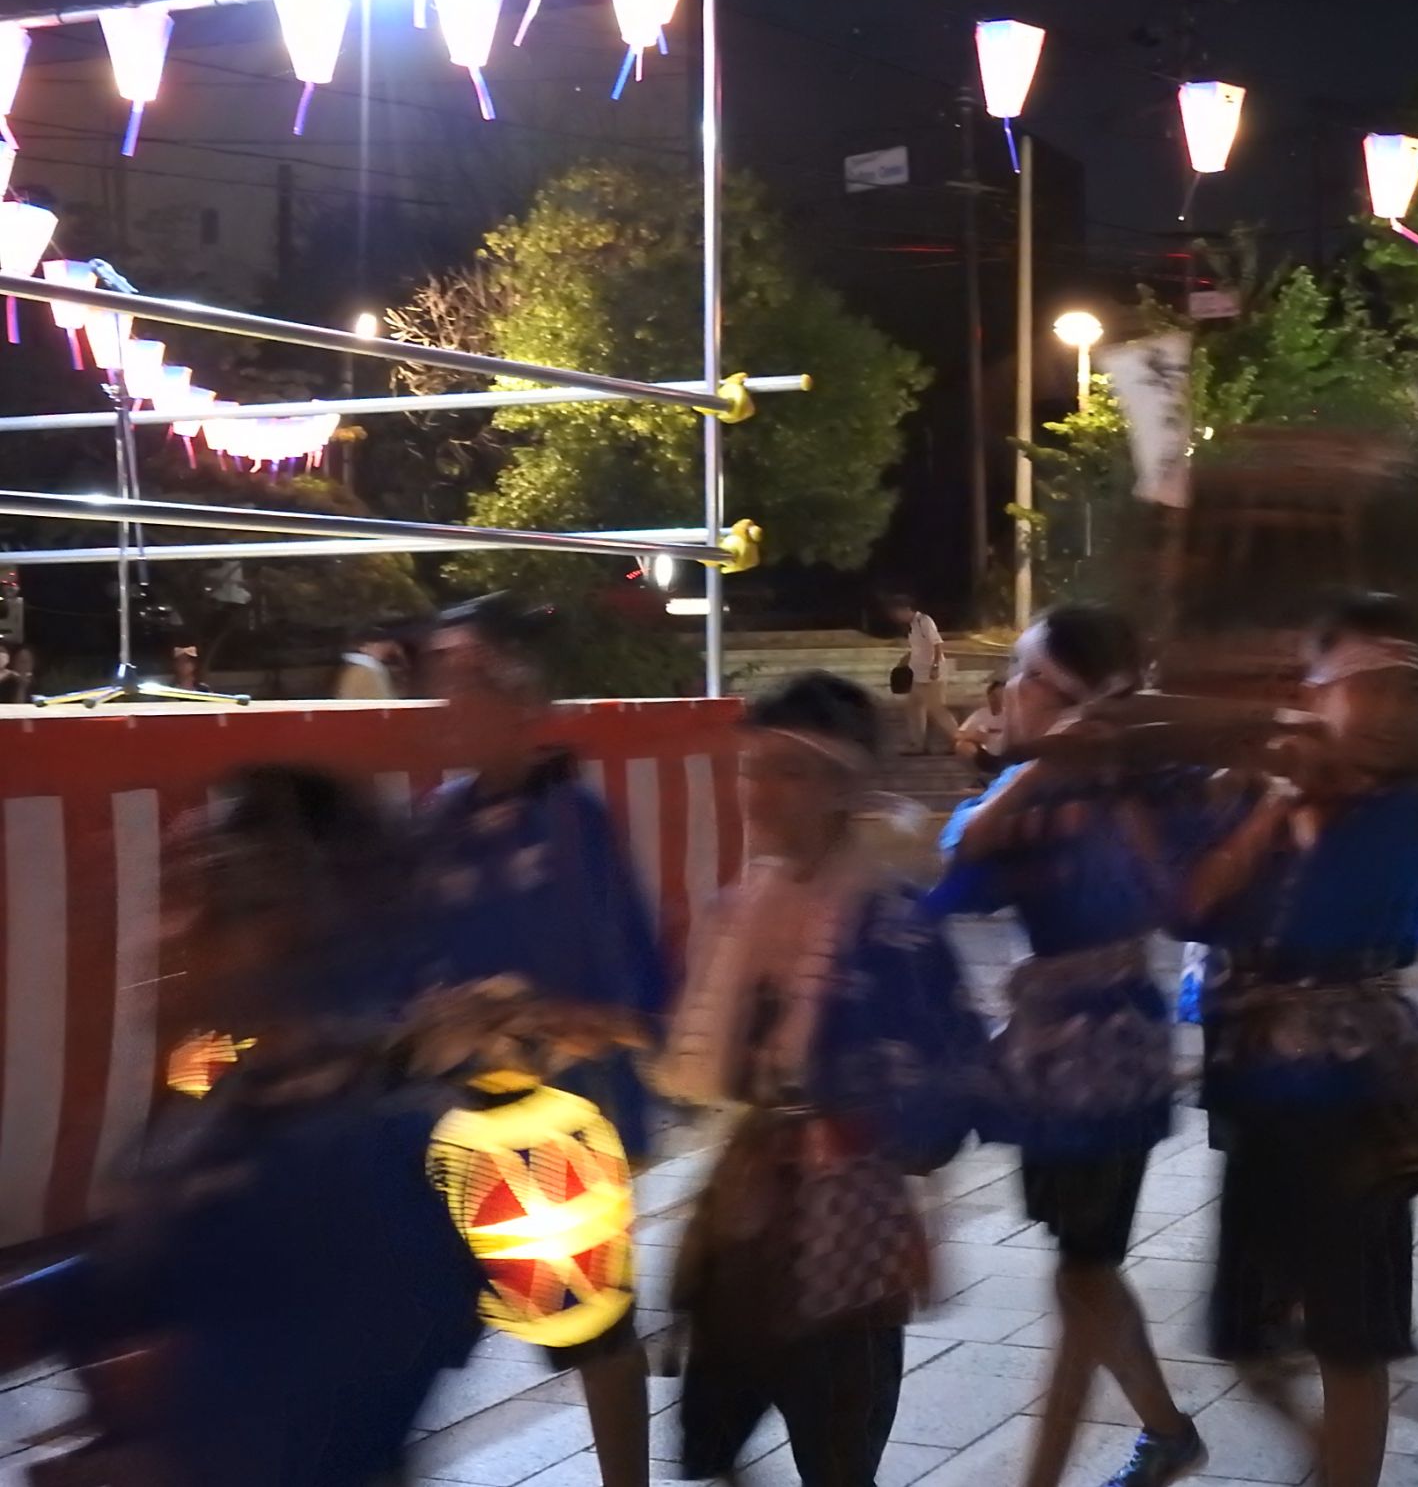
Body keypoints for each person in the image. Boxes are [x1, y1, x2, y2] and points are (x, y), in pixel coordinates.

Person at [0, 766, 486, 1487]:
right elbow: (141, 1274)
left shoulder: (377, 1149)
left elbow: (314, 1427)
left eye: (198, 897)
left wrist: (134, 1460)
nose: (160, 935)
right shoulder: (236, 1108)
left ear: (280, 927)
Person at [657, 672, 989, 1487]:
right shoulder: (741, 908)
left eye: (790, 772)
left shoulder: (894, 924)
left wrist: (876, 1125)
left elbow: (949, 1086)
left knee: (835, 1452)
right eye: (753, 768)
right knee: (709, 1440)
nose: (760, 792)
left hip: (849, 1227)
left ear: (844, 786)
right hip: (749, 1215)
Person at [1184, 593, 1418, 1487]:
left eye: (1410, 692)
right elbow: (1191, 906)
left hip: (1361, 1105)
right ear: (1316, 693)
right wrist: (1271, 799)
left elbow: (1340, 903)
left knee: (1351, 1340)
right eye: (1370, 686)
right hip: (1259, 1094)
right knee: (1243, 1340)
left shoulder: (1411, 806)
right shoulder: (1253, 792)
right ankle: (1328, 1460)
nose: (1393, 711)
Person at [931, 604, 1207, 1487]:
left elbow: (1178, 895)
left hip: (1111, 1054)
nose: (1008, 690)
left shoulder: (1146, 793)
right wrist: (1047, 764)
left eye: (1028, 675)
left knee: (1082, 1272)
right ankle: (1166, 1430)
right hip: (1049, 1057)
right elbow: (956, 868)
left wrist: (1091, 763)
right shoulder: (1029, 790)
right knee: (1081, 1269)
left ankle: (1052, 1470)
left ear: (1081, 702)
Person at [413, 593, 670, 1487]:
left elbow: (635, 990)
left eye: (472, 677)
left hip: (558, 1121)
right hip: (450, 1119)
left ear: (522, 695)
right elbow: (404, 964)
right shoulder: (436, 824)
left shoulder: (571, 823)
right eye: (443, 676)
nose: (452, 699)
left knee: (595, 1330)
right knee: (397, 1330)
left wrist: (536, 1014)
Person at [887, 593, 959, 756]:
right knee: (914, 707)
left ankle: (959, 740)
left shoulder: (924, 621)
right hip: (918, 674)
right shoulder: (912, 626)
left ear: (906, 609)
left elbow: (937, 644)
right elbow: (918, 649)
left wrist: (935, 666)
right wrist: (903, 662)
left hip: (932, 674)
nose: (896, 616)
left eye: (898, 612)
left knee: (938, 710)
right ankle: (918, 745)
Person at [955, 677, 1009, 780]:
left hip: (1007, 755)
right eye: (994, 696)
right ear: (989, 697)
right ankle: (978, 779)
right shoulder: (980, 714)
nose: (997, 700)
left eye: (1001, 696)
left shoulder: (1013, 714)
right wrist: (974, 736)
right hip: (985, 754)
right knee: (961, 746)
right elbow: (958, 734)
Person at [333, 626, 403, 700]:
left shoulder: (367, 669)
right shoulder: (361, 672)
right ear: (363, 648)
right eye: (378, 644)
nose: (385, 648)